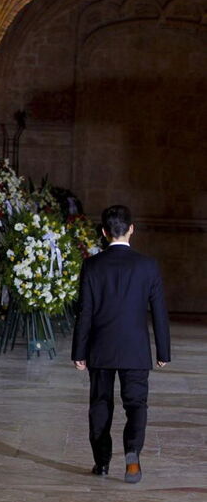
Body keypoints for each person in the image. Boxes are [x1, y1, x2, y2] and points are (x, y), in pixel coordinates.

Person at [71, 205, 170, 483]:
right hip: (135, 348)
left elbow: (85, 311)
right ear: (131, 229)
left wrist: (79, 351)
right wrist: (163, 351)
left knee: (100, 404)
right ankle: (133, 454)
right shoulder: (148, 266)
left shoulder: (92, 265)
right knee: (136, 403)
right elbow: (159, 311)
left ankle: (102, 463)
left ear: (104, 232)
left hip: (100, 347)